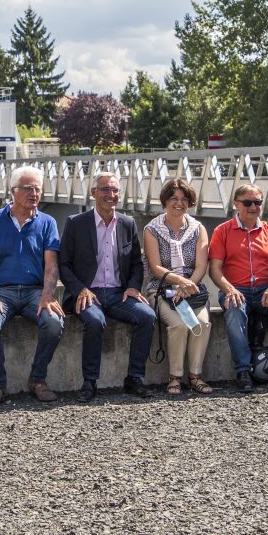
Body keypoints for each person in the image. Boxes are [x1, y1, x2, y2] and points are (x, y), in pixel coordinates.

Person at [59, 172, 156, 402]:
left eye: (115, 190)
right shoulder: (76, 223)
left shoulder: (127, 223)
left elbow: (135, 263)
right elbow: (63, 264)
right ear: (93, 193)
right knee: (95, 321)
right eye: (105, 190)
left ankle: (134, 378)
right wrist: (80, 289)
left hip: (117, 293)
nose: (110, 195)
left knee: (147, 316)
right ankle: (90, 382)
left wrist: (133, 287)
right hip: (87, 293)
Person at [0, 165, 65, 407]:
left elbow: (51, 266)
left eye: (38, 188)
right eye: (28, 188)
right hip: (2, 291)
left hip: (33, 291)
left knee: (54, 323)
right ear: (13, 191)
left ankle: (37, 379)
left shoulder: (47, 222)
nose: (34, 193)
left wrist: (48, 295)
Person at [209, 184, 268, 392]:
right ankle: (243, 369)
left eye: (258, 202)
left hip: (263, 290)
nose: (253, 207)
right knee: (234, 308)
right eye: (248, 202)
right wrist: (229, 289)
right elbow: (215, 269)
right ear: (236, 204)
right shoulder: (222, 231)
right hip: (236, 288)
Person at [143, 178, 213, 396]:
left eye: (184, 199)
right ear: (165, 200)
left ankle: (195, 376)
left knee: (201, 323)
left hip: (192, 290)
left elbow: (202, 265)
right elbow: (155, 267)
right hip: (162, 288)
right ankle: (174, 377)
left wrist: (188, 284)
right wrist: (179, 281)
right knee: (179, 324)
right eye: (173, 198)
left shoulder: (198, 229)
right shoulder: (152, 229)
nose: (179, 203)